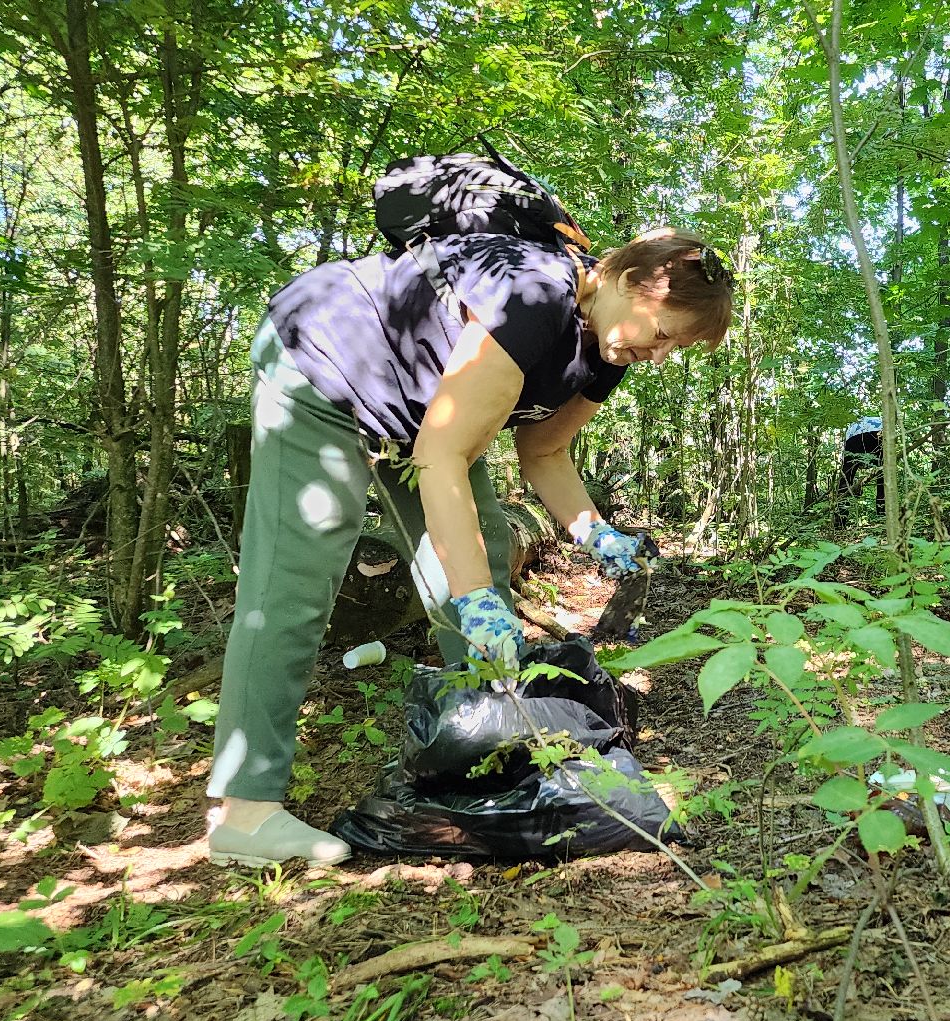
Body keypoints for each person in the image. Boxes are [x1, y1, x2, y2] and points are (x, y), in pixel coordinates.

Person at [205, 228, 732, 867]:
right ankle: (245, 811)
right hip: (327, 356)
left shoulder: (606, 350)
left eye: (677, 347)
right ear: (626, 281)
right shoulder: (533, 298)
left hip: (416, 408)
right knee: (297, 580)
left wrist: (593, 530)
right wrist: (474, 594)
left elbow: (545, 451)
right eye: (665, 333)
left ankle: (497, 760)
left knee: (485, 547)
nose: (662, 355)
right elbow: (441, 454)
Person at [834, 415, 884, 526]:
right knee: (883, 476)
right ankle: (883, 516)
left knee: (846, 477)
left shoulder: (852, 427)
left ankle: (839, 521)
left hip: (853, 435)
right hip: (880, 432)